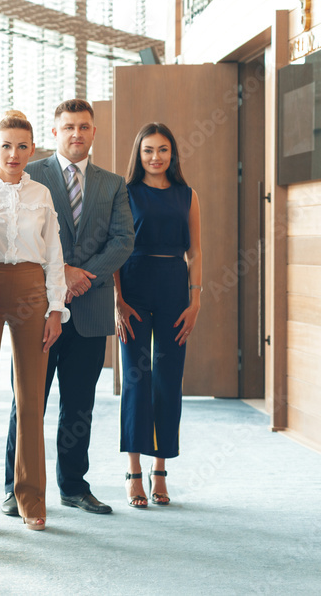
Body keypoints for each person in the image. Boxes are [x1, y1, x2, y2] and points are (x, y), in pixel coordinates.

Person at [0, 99, 134, 518]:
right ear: (54, 133)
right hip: (38, 309)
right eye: (69, 126)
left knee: (79, 405)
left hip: (90, 309)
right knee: (28, 401)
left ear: (94, 132)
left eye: (85, 126)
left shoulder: (112, 185)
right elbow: (15, 236)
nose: (77, 133)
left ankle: (73, 486)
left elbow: (123, 241)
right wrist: (62, 272)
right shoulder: (30, 173)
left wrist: (83, 276)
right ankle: (12, 486)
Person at [0, 110, 68, 532]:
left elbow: (54, 252)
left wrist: (56, 308)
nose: (14, 153)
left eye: (22, 146)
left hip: (31, 288)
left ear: (32, 149)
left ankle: (30, 498)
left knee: (31, 399)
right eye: (6, 145)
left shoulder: (42, 193)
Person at [114, 122, 201, 508]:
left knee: (168, 379)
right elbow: (115, 249)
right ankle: (134, 471)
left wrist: (195, 300)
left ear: (172, 153)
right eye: (148, 150)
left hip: (173, 290)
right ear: (139, 154)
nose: (156, 157)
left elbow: (195, 252)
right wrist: (117, 300)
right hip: (133, 286)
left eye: (163, 149)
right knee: (137, 379)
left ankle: (160, 469)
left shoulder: (187, 195)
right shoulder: (125, 193)